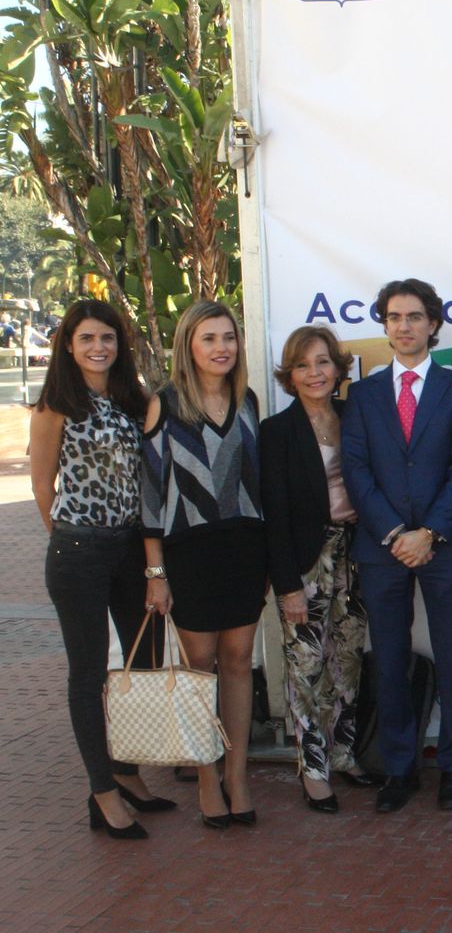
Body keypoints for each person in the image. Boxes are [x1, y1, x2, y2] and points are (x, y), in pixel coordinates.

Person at [30, 299, 173, 840]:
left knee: (143, 663)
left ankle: (127, 771)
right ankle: (103, 792)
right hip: (80, 551)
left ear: (120, 345)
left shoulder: (134, 402)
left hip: (131, 552)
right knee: (88, 674)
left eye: (107, 338)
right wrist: (68, 540)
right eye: (87, 338)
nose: (98, 347)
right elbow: (44, 486)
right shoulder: (56, 406)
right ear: (69, 345)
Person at [343, 278, 452, 813]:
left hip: (444, 546)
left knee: (451, 657)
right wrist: (396, 534)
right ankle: (399, 768)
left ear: (433, 324)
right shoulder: (364, 395)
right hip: (383, 549)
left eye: (414, 317)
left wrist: (431, 533)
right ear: (384, 324)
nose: (404, 326)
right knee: (392, 660)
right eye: (395, 317)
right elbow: (356, 470)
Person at [141, 300, 269, 830]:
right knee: (200, 670)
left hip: (244, 548)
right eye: (209, 338)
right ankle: (205, 776)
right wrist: (156, 573)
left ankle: (238, 775)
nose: (221, 348)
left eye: (228, 338)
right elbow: (149, 494)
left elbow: (255, 483)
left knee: (239, 661)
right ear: (188, 347)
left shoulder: (248, 402)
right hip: (189, 553)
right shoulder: (164, 406)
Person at [260, 325, 379, 814]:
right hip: (306, 562)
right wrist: (287, 586)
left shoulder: (355, 418)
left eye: (323, 362)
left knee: (347, 659)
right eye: (304, 365)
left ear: (338, 368)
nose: (315, 373)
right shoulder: (276, 432)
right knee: (305, 666)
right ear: (290, 374)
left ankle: (345, 751)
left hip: (356, 555)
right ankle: (313, 770)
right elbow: (274, 516)